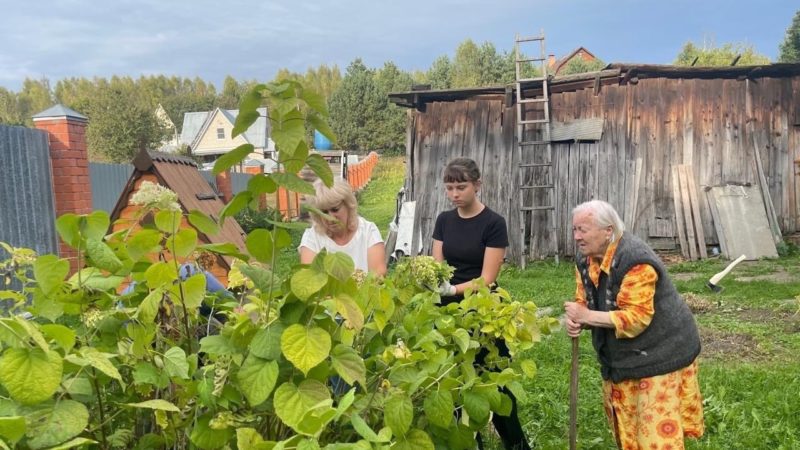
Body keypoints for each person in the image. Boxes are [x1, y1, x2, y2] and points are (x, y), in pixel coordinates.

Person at [564, 200, 704, 450]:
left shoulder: (636, 260)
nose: (576, 237)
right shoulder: (586, 258)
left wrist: (587, 317)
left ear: (608, 231)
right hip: (623, 357)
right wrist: (577, 319)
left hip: (661, 352)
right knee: (628, 428)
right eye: (575, 230)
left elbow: (637, 318)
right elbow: (583, 299)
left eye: (583, 230)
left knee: (655, 436)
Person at [432, 157, 531, 450]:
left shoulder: (493, 223)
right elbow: (437, 264)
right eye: (449, 188)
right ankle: (470, 443)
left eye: (461, 187)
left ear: (477, 185)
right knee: (454, 379)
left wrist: (452, 289)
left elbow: (487, 278)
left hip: (483, 310)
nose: (454, 194)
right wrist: (436, 284)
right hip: (447, 311)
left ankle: (515, 443)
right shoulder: (443, 220)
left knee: (494, 380)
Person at [299, 179, 386, 275]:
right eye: (324, 212)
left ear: (348, 205)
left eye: (335, 209)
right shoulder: (312, 237)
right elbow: (310, 279)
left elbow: (378, 275)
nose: (331, 217)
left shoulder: (368, 231)